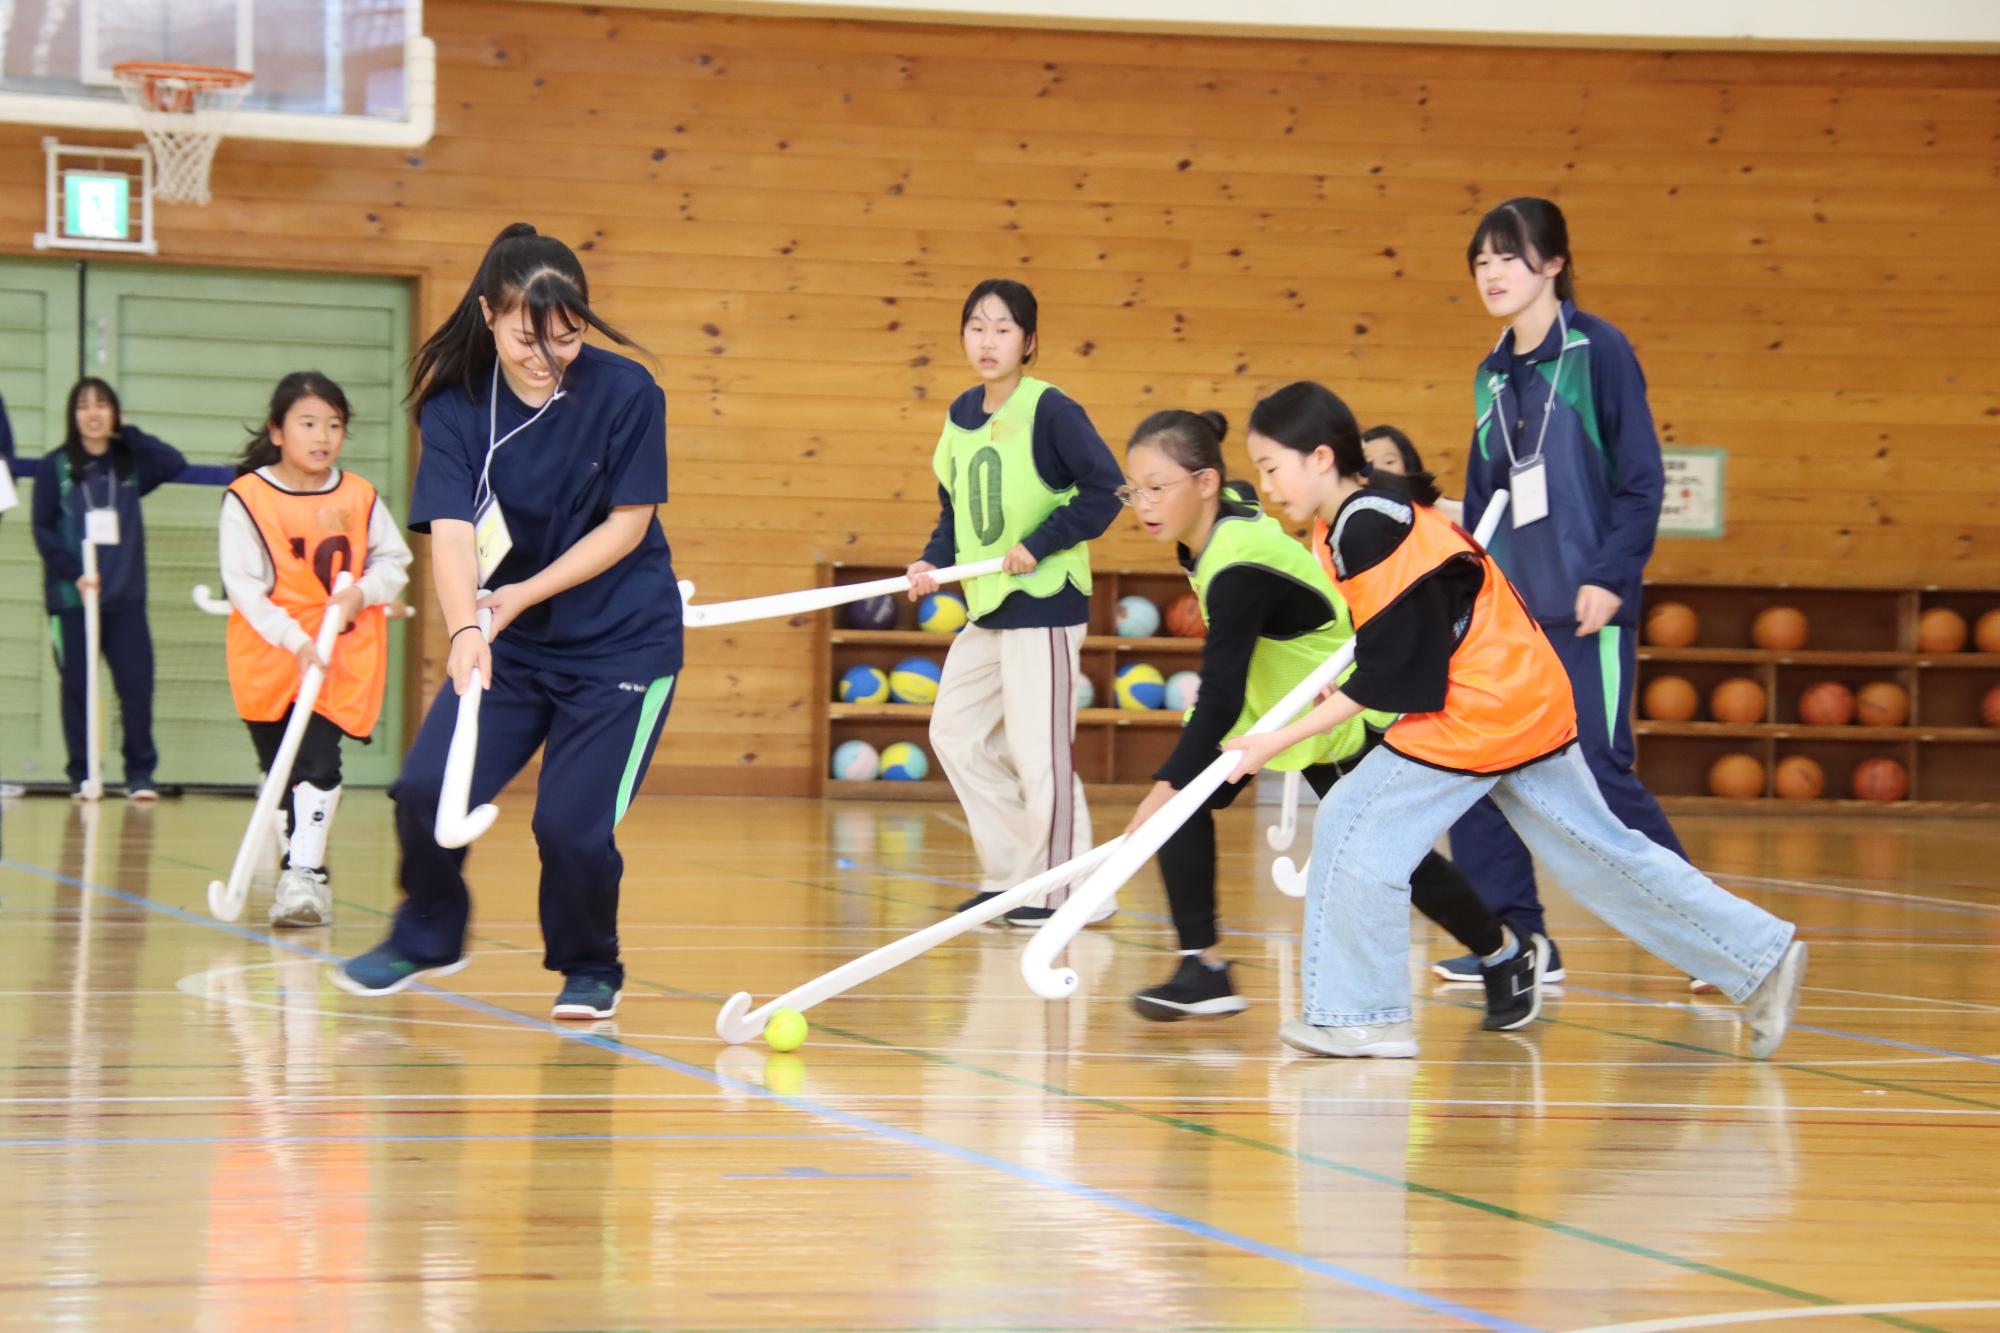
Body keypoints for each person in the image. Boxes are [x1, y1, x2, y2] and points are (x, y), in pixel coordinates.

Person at [1223, 380, 1805, 1060]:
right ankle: (1760, 959)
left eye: (1270, 467)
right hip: (1521, 696)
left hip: (1486, 707)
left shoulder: (1369, 524)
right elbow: (1406, 636)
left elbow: (1396, 668)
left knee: (1353, 818)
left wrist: (1276, 739)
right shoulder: (1351, 521)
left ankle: (1363, 1015)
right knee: (1604, 857)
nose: (1265, 487)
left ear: (1319, 457)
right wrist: (1342, 690)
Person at [334, 222, 682, 1021]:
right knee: (422, 789)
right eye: (529, 336)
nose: (546, 355)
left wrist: (523, 593)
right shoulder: (454, 407)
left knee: (569, 827)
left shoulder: (627, 393)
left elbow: (627, 524)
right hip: (511, 644)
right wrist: (464, 631)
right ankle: (428, 931)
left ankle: (591, 964)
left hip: (620, 646)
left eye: (565, 338)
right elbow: (452, 534)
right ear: (490, 314)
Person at [1116, 408, 1543, 1029]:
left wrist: (1163, 787)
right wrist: (1172, 789)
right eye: (1134, 489)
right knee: (1182, 804)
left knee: (1392, 854)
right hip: (1274, 699)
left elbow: (1220, 696)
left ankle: (1505, 953)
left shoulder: (1235, 566)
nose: (1143, 504)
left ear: (1205, 483)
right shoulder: (1211, 515)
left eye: (1157, 488)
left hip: (1331, 708)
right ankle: (1202, 966)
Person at [1436, 198, 1715, 994]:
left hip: (1584, 607)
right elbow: (1488, 498)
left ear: (1553, 263)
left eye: (1508, 258)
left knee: (1599, 772)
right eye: (1480, 261)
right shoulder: (1491, 373)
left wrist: (1611, 576)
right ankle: (1516, 937)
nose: (1491, 273)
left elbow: (1641, 481)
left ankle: (1706, 936)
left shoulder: (1600, 352)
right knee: (1474, 766)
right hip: (1507, 616)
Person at [907, 279, 1123, 925]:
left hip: (1046, 602)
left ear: (1028, 341)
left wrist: (1041, 541)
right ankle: (1012, 876)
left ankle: (1069, 890)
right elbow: (955, 511)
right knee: (956, 734)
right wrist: (931, 562)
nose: (988, 340)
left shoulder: (1051, 409)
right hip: (988, 604)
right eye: (977, 326)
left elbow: (1105, 489)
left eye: (1003, 328)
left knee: (1040, 752)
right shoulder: (958, 415)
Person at [220, 371, 412, 927]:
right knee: (278, 768)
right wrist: (295, 640)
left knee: (318, 760)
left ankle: (306, 879)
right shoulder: (248, 498)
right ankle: (298, 867)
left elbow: (393, 561)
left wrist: (361, 593)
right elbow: (245, 587)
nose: (322, 435)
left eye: (334, 424)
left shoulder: (359, 495)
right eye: (308, 423)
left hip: (339, 652)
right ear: (278, 431)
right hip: (271, 651)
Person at [30, 378, 186, 800]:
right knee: (77, 689)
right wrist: (74, 573)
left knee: (136, 686)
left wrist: (130, 434)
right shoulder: (54, 467)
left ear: (114, 413)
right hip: (73, 599)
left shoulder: (130, 462)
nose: (93, 413)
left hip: (125, 599)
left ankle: (139, 775)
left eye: (103, 405)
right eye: (83, 405)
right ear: (72, 415)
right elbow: (42, 529)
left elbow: (173, 462)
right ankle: (83, 774)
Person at [1360, 425, 1462, 525]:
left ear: (1408, 463)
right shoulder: (1358, 516)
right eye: (1369, 464)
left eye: (1389, 462)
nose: (1379, 470)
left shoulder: (1446, 512)